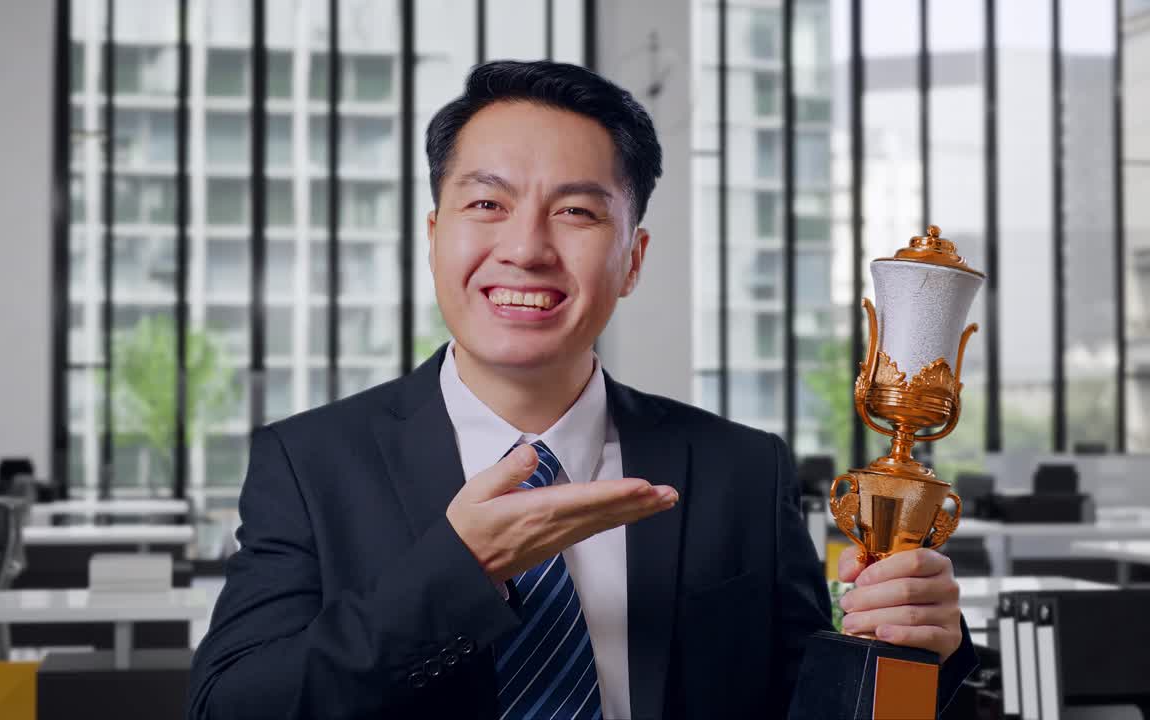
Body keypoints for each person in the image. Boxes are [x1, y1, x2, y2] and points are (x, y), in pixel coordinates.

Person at [187, 60, 976, 719]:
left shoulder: (739, 470)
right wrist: (460, 569)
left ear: (632, 259)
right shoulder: (310, 462)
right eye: (487, 204)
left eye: (575, 212)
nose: (526, 248)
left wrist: (920, 656)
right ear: (435, 237)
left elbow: (812, 705)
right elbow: (231, 705)